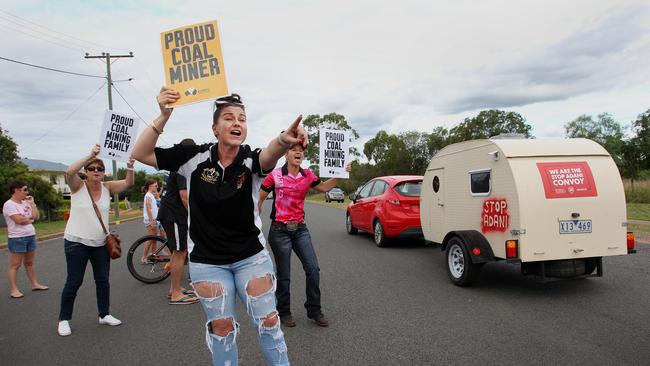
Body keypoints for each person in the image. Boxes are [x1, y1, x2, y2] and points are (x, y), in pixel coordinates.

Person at [132, 87, 306, 366]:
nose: (236, 123)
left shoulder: (250, 160)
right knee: (222, 328)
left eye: (242, 118)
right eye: (228, 118)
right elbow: (141, 153)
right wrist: (164, 115)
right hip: (207, 262)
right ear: (215, 128)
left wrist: (284, 141)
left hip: (250, 257)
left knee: (269, 322)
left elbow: (269, 155)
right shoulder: (192, 157)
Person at [259, 145, 351, 328]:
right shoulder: (275, 175)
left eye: (301, 150)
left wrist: (341, 173)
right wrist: (253, 221)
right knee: (284, 275)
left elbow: (324, 188)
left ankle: (314, 310)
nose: (298, 152)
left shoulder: (307, 175)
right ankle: (284, 311)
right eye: (293, 149)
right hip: (279, 231)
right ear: (286, 154)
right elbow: (259, 198)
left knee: (313, 269)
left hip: (300, 229)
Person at [57, 145, 135, 337]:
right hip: (77, 242)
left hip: (101, 243)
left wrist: (131, 166)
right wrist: (90, 155)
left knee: (102, 280)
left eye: (100, 169)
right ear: (86, 172)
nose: (96, 172)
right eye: (92, 169)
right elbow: (69, 171)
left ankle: (104, 314)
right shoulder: (78, 186)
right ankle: (64, 319)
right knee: (74, 281)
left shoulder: (107, 187)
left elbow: (128, 183)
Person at [157, 138, 198, 305]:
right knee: (180, 252)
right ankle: (175, 293)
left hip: (173, 215)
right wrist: (196, 216)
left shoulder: (180, 167)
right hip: (174, 215)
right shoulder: (182, 168)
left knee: (178, 252)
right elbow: (184, 197)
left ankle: (175, 288)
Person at [3, 181, 48, 298]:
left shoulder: (25, 202)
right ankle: (14, 290)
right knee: (15, 265)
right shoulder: (9, 204)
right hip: (17, 238)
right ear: (16, 190)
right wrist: (29, 220)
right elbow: (18, 220)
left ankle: (35, 284)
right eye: (25, 190)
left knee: (29, 263)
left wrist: (32, 204)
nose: (27, 192)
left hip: (30, 235)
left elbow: (36, 216)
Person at [141, 180, 165, 264]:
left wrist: (158, 195)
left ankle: (154, 255)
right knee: (151, 239)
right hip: (150, 221)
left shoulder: (151, 195)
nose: (157, 187)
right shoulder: (148, 195)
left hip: (155, 220)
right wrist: (151, 221)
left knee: (154, 239)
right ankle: (144, 257)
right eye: (155, 186)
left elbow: (158, 204)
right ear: (150, 186)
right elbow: (148, 209)